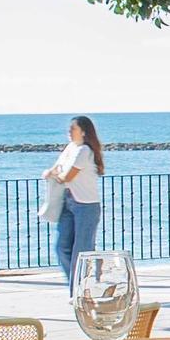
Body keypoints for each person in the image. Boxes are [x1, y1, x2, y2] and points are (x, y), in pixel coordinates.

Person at [44, 115, 105, 292]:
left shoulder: (84, 151)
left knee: (81, 252)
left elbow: (67, 176)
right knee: (62, 247)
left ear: (83, 132)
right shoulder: (71, 148)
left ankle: (77, 291)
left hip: (86, 205)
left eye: (73, 129)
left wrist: (54, 175)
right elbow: (56, 169)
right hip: (69, 201)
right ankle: (83, 280)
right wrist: (53, 173)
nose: (69, 132)